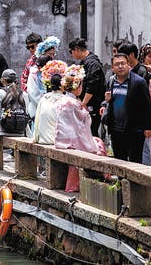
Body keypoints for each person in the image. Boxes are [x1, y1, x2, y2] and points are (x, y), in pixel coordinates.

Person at [55, 64, 106, 192]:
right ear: (77, 87)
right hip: (72, 141)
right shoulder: (74, 103)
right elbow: (85, 123)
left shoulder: (63, 100)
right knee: (99, 145)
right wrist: (86, 113)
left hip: (61, 139)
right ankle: (100, 183)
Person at [100, 53, 151, 163]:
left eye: (123, 63)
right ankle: (121, 180)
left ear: (129, 65)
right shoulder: (111, 81)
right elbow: (108, 100)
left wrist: (149, 127)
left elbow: (147, 106)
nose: (120, 66)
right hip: (116, 128)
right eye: (117, 64)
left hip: (135, 128)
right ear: (113, 67)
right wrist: (105, 103)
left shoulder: (138, 82)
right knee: (119, 159)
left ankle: (134, 181)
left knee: (135, 160)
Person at [69, 38, 106, 137]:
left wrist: (84, 103)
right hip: (87, 103)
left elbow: (92, 85)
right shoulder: (85, 62)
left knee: (90, 132)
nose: (71, 54)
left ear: (76, 49)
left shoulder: (92, 63)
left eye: (71, 51)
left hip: (92, 104)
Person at [33, 60, 68, 145]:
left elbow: (37, 120)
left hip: (42, 139)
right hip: (56, 142)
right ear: (62, 85)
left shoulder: (44, 98)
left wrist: (35, 138)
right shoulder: (65, 100)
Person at [0, 69, 30, 136]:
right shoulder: (24, 94)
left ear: (3, 80)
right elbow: (27, 111)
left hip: (2, 131)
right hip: (21, 131)